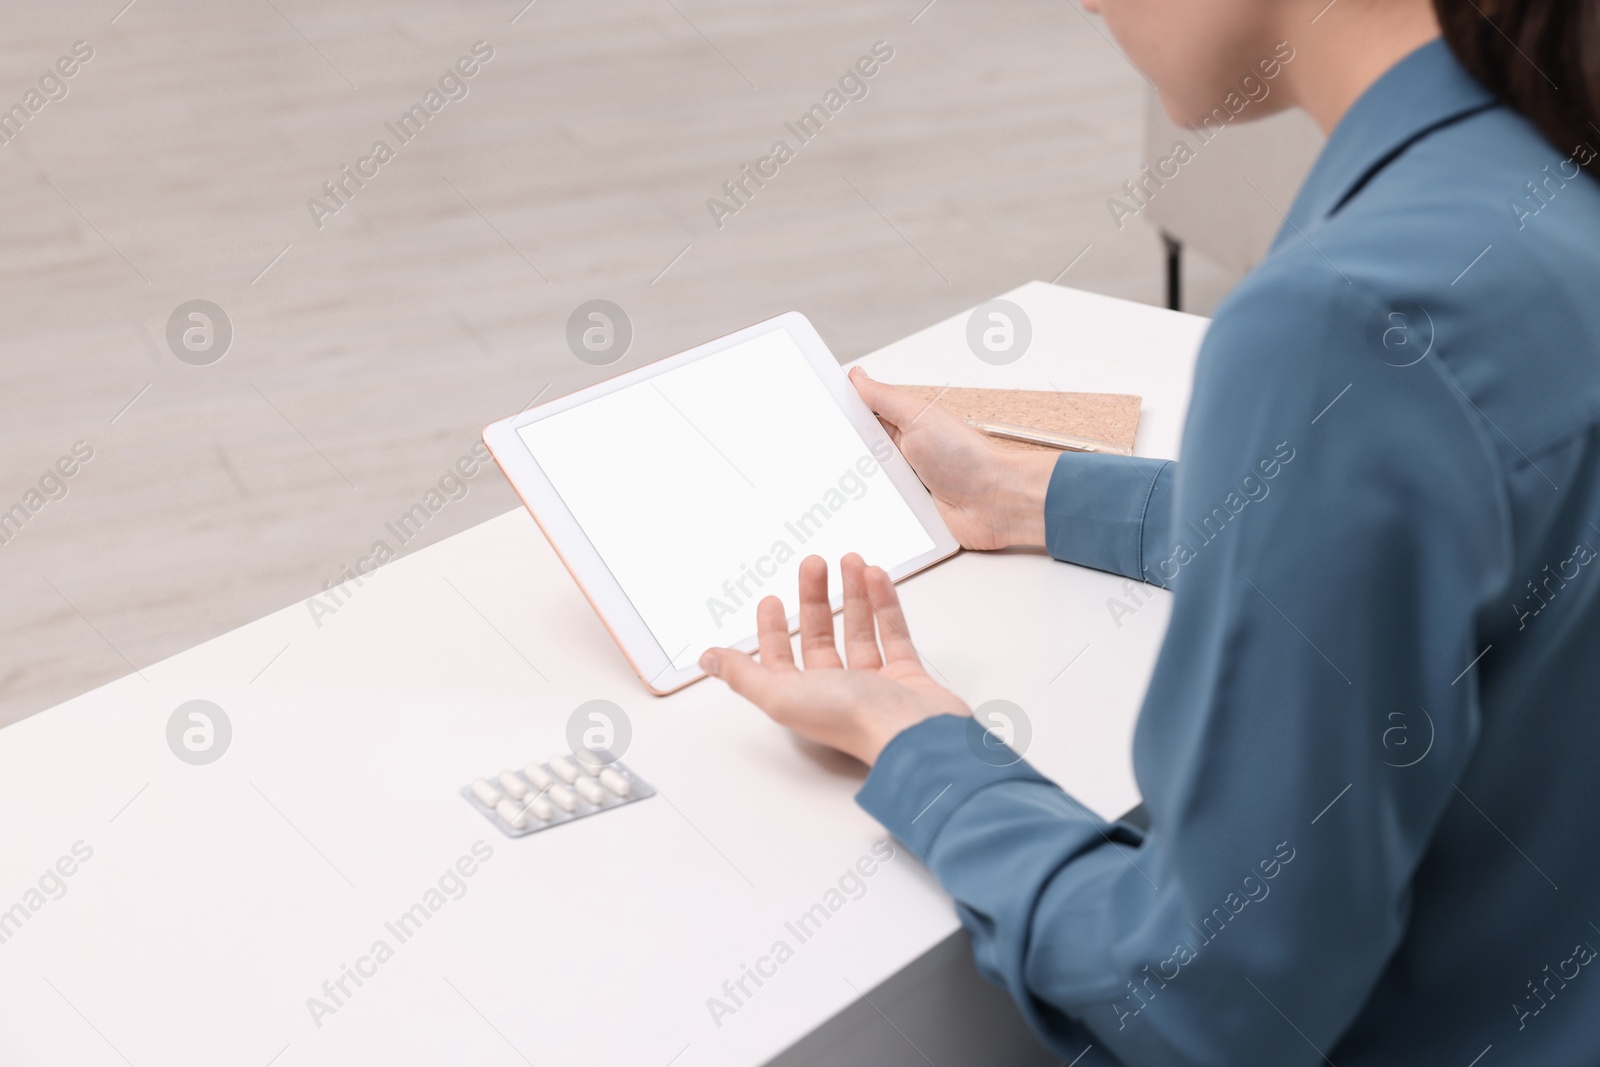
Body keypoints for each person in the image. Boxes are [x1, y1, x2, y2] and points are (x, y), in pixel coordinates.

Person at [698, 0, 1600, 1062]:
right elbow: (1493, 507)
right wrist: (1028, 491)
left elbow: (1208, 996)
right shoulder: (1540, 188)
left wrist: (921, 745)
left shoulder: (1345, 317)